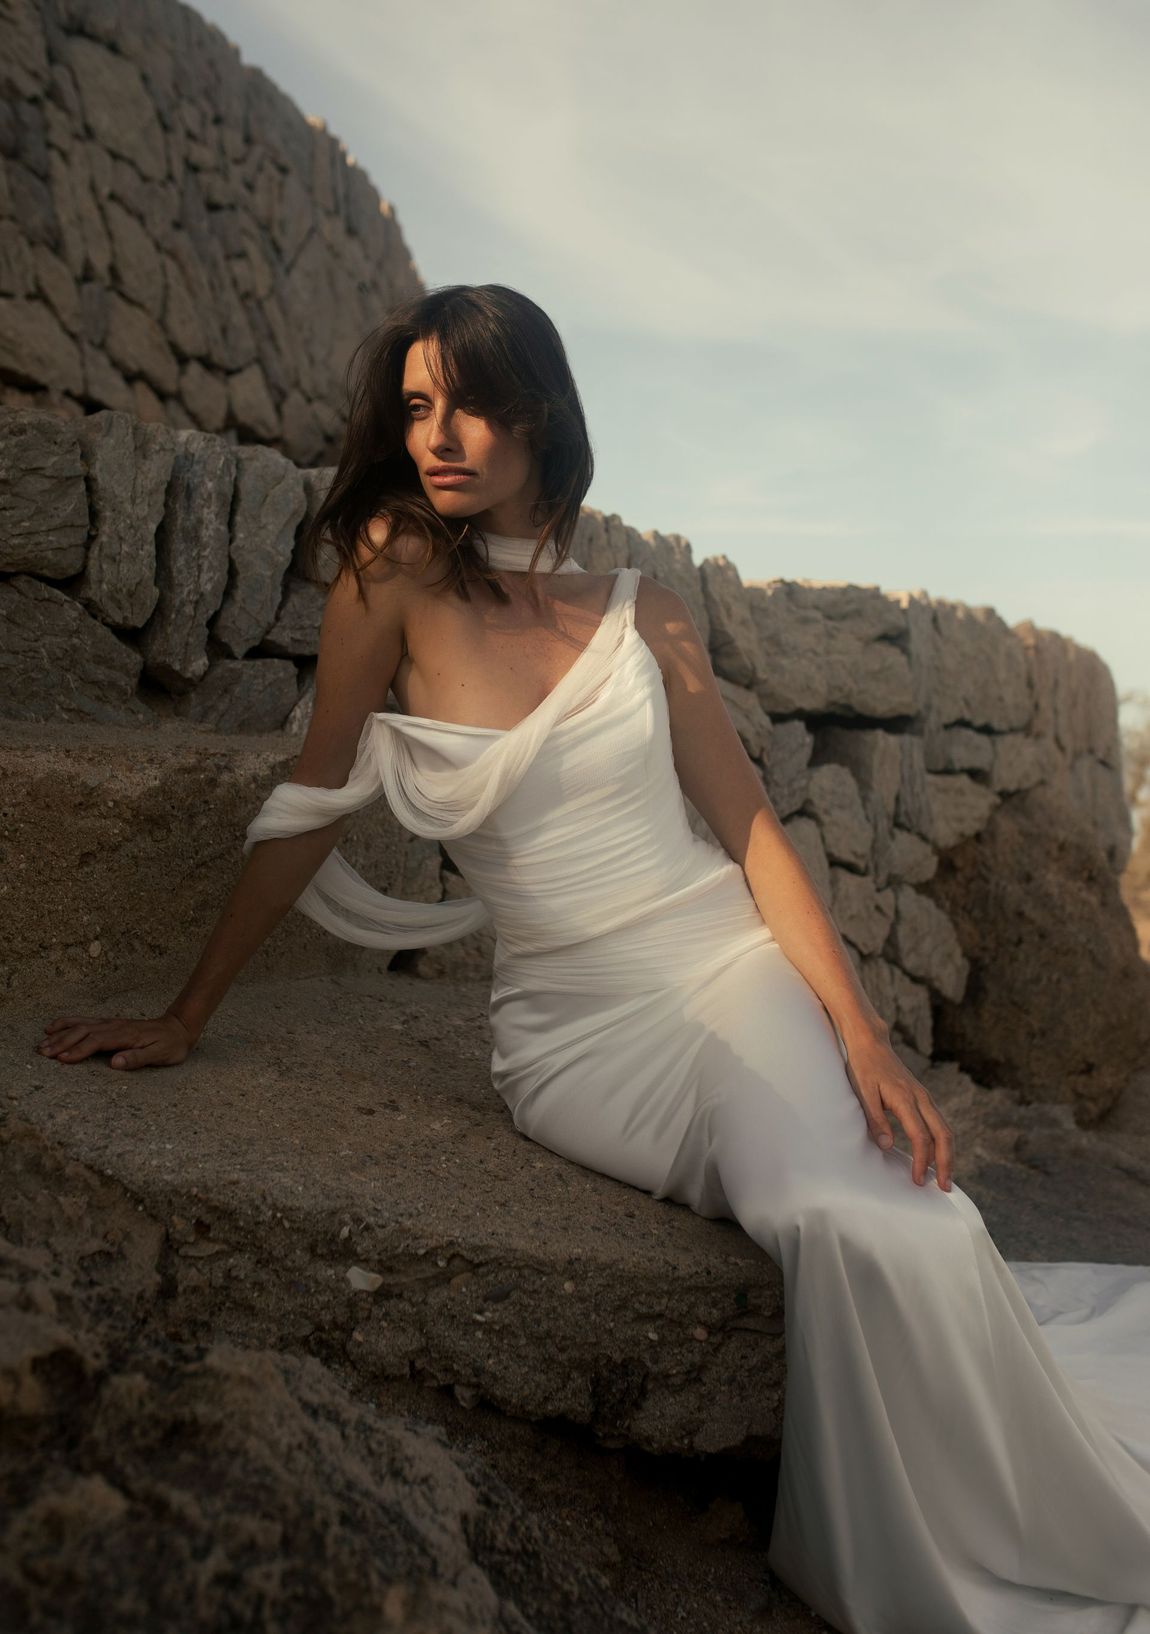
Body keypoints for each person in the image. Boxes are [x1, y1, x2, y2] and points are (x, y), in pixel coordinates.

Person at [37, 285, 1150, 1633]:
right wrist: (187, 1011)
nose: (439, 434)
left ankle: (1032, 1516)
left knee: (885, 1216)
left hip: (727, 966)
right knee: (834, 1217)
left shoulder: (646, 610)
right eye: (415, 406)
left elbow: (745, 827)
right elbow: (311, 797)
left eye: (471, 401)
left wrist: (856, 1028)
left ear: (543, 415)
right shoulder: (390, 572)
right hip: (575, 1037)